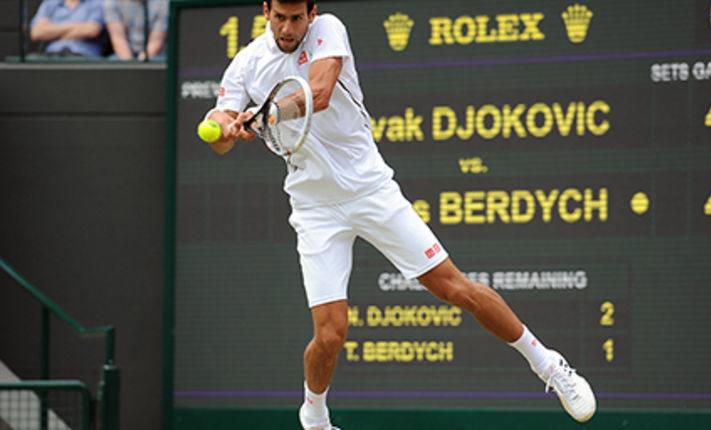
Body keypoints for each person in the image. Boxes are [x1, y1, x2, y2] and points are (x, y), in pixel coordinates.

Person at [203, 0, 597, 428]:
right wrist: (222, 127)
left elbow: (319, 92)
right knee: (331, 333)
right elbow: (220, 127)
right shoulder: (246, 63)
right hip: (314, 207)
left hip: (371, 190)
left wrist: (267, 115)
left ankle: (549, 365)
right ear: (266, 11)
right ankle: (314, 419)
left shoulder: (328, 30)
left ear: (311, 13)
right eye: (280, 17)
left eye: (297, 18)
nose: (288, 27)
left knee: (455, 289)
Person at [29, 0, 106, 58]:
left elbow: (91, 30)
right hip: (51, 55)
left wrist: (52, 33)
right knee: (30, 61)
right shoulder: (50, 3)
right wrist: (75, 26)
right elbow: (36, 33)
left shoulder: (97, 2)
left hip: (83, 57)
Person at [104, 0, 168, 60]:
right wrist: (131, 66)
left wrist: (141, 65)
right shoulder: (112, 1)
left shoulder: (163, 2)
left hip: (154, 55)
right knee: (112, 62)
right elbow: (118, 38)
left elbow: (156, 41)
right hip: (125, 54)